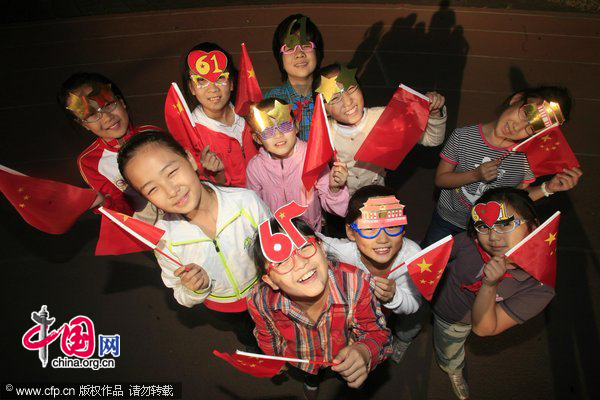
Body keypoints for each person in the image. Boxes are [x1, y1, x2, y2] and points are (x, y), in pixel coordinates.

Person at [117, 131, 271, 348]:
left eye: (171, 172)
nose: (171, 191)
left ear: (190, 159)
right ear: (145, 198)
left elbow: (277, 243)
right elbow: (180, 294)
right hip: (225, 307)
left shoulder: (246, 203)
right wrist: (194, 289)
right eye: (152, 188)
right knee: (247, 334)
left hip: (267, 292)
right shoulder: (164, 241)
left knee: (277, 326)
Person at [248, 214, 392, 399]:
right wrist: (275, 359)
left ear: (322, 248)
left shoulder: (357, 285)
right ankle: (312, 380)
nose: (300, 263)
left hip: (341, 352)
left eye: (304, 247)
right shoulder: (261, 301)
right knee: (312, 373)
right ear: (271, 281)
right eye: (281, 260)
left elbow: (378, 333)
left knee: (347, 373)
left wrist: (363, 352)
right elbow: (267, 334)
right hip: (303, 358)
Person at [432, 187, 556, 399]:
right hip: (444, 308)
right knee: (431, 336)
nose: (493, 236)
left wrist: (489, 285)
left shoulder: (539, 286)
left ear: (533, 225)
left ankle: (453, 369)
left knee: (451, 349)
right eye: (483, 226)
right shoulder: (468, 241)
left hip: (461, 321)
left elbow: (484, 328)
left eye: (505, 224)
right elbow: (436, 256)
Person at [423, 86, 582, 246]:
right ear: (516, 99)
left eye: (531, 129)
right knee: (428, 256)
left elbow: (519, 198)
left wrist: (547, 188)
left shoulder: (526, 160)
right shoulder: (463, 136)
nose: (517, 127)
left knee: (468, 268)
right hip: (447, 218)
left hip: (487, 230)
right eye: (526, 114)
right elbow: (441, 179)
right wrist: (476, 175)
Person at [317, 185, 422, 364]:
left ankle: (404, 339)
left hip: (397, 309)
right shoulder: (344, 252)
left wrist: (395, 296)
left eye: (393, 226)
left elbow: (414, 303)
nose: (382, 239)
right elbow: (317, 241)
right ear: (351, 232)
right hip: (364, 308)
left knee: (408, 325)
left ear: (404, 227)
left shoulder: (413, 256)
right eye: (369, 229)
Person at [316, 63, 447, 195]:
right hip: (341, 198)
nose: (348, 102)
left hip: (377, 194)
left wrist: (434, 114)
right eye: (335, 98)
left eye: (350, 89)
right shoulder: (324, 133)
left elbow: (432, 139)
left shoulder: (385, 119)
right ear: (323, 109)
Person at [58, 72, 161, 220]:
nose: (107, 117)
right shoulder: (90, 162)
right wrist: (104, 203)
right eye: (91, 115)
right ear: (83, 124)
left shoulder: (153, 134)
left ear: (121, 102)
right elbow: (122, 211)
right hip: (154, 233)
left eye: (108, 105)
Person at [245, 98, 349, 232]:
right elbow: (254, 208)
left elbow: (338, 209)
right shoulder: (255, 168)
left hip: (312, 233)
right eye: (268, 130)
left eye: (284, 126)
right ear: (258, 139)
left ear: (296, 126)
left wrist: (335, 189)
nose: (278, 135)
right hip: (277, 237)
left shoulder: (313, 157)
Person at [179, 42, 258, 187]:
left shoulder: (252, 114)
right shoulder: (192, 136)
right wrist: (217, 176)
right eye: (201, 80)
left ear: (232, 83)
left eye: (220, 77)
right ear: (191, 88)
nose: (213, 89)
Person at [264, 14, 324, 141]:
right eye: (289, 48)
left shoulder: (331, 97)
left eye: (306, 45)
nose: (299, 54)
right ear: (280, 59)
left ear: (317, 53)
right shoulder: (270, 101)